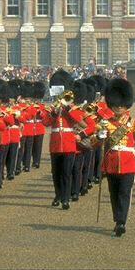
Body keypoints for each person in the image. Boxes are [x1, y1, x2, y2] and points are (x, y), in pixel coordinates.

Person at [94, 78, 135, 237]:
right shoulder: (105, 124)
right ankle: (117, 217)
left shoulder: (134, 124)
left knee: (124, 193)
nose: (118, 108)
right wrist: (99, 136)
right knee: (114, 193)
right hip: (111, 163)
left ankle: (121, 222)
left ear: (126, 105)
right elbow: (94, 144)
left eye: (121, 105)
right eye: (116, 105)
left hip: (129, 163)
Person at [43, 69, 83, 210]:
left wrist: (69, 109)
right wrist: (54, 113)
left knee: (66, 172)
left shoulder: (73, 109)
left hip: (68, 144)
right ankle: (58, 195)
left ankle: (66, 198)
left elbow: (79, 121)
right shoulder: (51, 108)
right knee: (56, 173)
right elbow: (45, 123)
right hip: (55, 145)